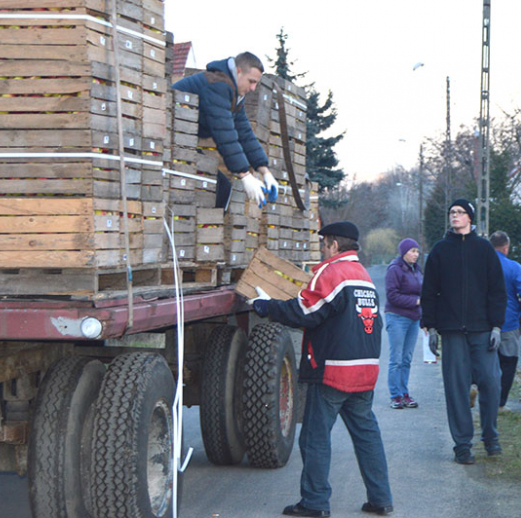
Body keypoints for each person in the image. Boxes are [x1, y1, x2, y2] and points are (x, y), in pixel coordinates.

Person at [248, 221, 393, 517]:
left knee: (314, 437)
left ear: (334, 245)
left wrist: (266, 306)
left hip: (334, 372)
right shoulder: (363, 277)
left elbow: (306, 311)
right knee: (367, 436)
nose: (322, 248)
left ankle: (314, 503)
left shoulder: (331, 273)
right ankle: (381, 499)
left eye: (324, 243)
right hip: (365, 371)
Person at [421, 199, 507, 465]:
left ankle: (490, 437)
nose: (455, 216)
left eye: (460, 212)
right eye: (452, 213)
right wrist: (430, 326)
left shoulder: (484, 249)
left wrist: (496, 326)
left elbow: (497, 290)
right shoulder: (439, 251)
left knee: (491, 383)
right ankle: (462, 446)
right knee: (456, 389)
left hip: (483, 330)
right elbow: (429, 291)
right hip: (452, 332)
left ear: (470, 217)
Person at [172, 52, 279, 208]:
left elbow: (245, 134)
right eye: (251, 82)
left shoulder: (233, 93)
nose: (253, 88)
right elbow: (225, 134)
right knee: (220, 187)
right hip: (169, 141)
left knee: (221, 187)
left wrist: (265, 171)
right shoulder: (218, 86)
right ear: (238, 72)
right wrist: (245, 175)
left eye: (256, 83)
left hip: (184, 143)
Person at [489, 231, 521, 408]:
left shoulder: (479, 265)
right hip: (507, 323)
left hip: (483, 323)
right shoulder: (514, 267)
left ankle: (479, 390)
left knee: (484, 361)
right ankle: (500, 402)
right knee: (508, 363)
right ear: (506, 247)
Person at [385, 238, 423, 409]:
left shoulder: (417, 270)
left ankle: (404, 392)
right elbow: (392, 295)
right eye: (412, 251)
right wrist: (415, 301)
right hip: (397, 317)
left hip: (414, 319)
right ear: (404, 252)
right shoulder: (395, 270)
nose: (416, 254)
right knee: (396, 359)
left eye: (417, 251)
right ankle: (395, 395)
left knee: (407, 359)